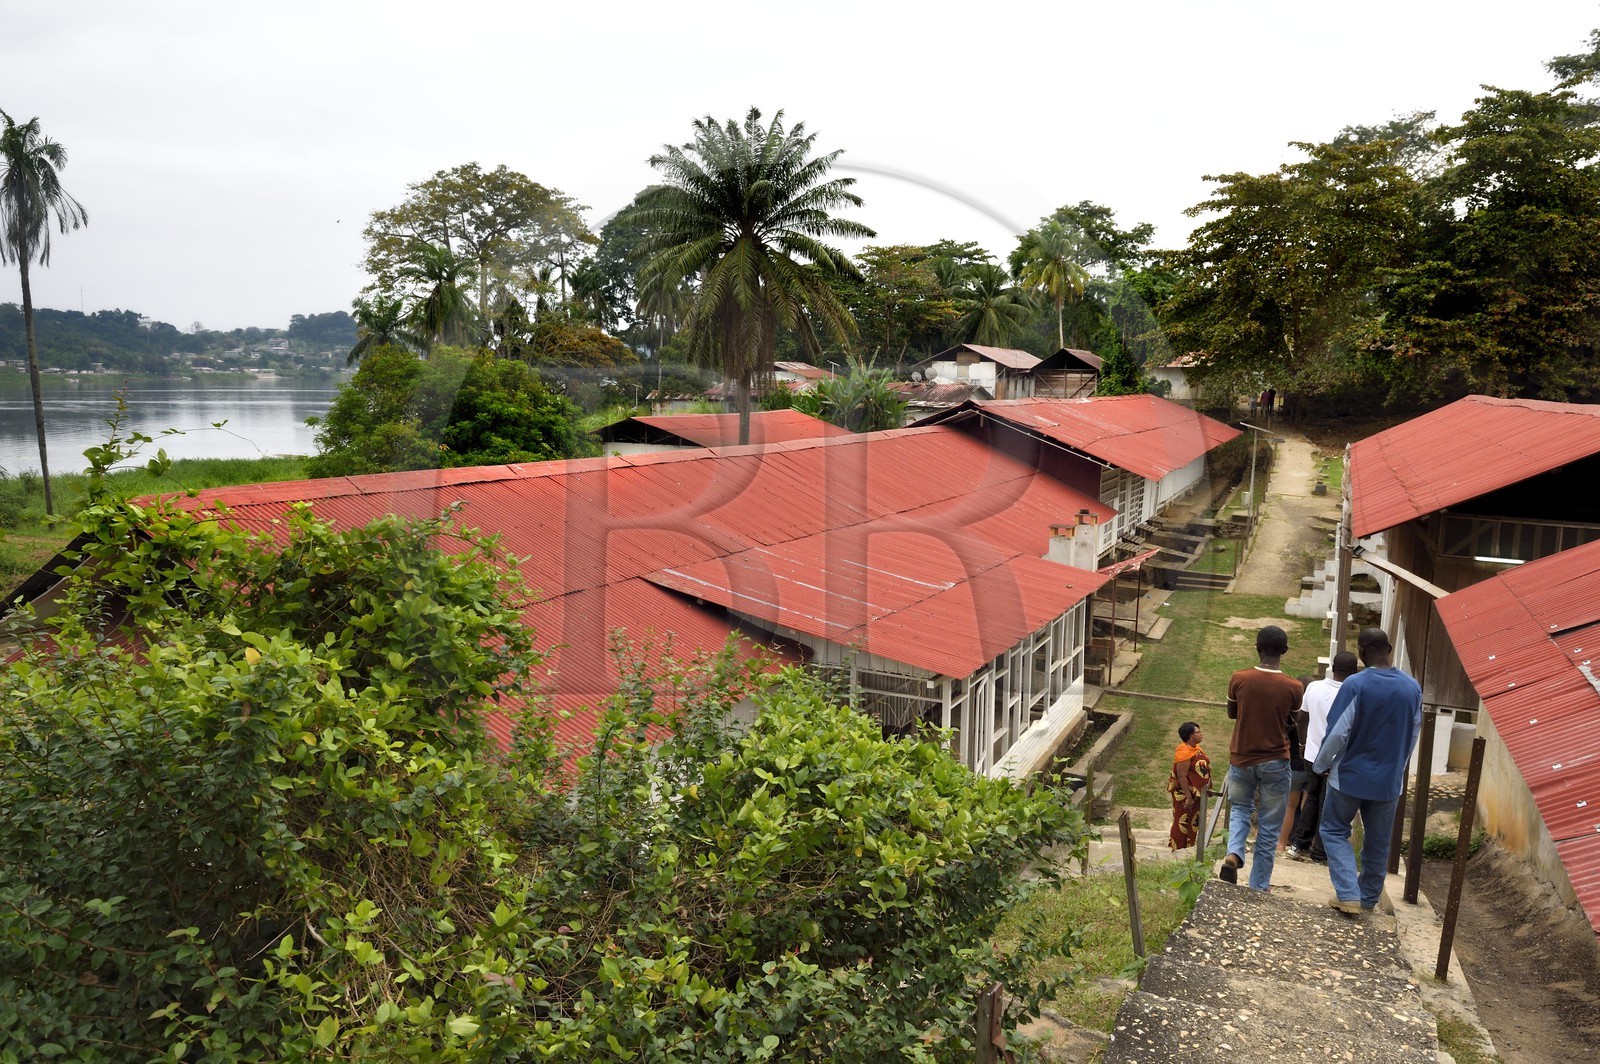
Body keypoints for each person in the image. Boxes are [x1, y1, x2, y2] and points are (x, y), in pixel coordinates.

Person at [1313, 629, 1422, 914]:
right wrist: (1397, 766)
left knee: (1334, 830)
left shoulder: (1355, 684)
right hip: (1388, 781)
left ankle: (1348, 893)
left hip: (1349, 776)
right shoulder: (1412, 688)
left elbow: (1338, 732)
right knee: (1378, 841)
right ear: (1388, 648)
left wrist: (1321, 764)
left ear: (1361, 653)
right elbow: (1413, 734)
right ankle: (1368, 898)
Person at [1220, 625, 1303, 889]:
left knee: (1241, 809)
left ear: (1257, 648)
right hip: (1276, 761)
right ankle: (1258, 885)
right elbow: (1294, 720)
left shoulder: (1239, 678)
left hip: (1241, 758)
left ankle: (1234, 853)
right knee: (1269, 824)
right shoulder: (1294, 686)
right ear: (1285, 651)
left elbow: (1232, 714)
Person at [1287, 651, 1358, 862]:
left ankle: (1298, 844)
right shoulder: (1354, 692)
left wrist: (1302, 743)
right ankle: (1319, 851)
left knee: (1313, 797)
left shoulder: (1314, 687)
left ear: (1332, 668)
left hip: (1311, 754)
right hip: (1338, 757)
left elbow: (1301, 719)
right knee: (1328, 803)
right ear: (1354, 671)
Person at [1166, 722, 1211, 850]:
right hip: (1185, 796)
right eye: (1198, 732)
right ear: (1190, 736)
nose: (1201, 733)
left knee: (1193, 821)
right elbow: (1182, 776)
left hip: (1196, 795)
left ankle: (1189, 847)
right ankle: (1178, 849)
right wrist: (1189, 798)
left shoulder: (1196, 749)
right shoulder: (1184, 752)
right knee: (1182, 821)